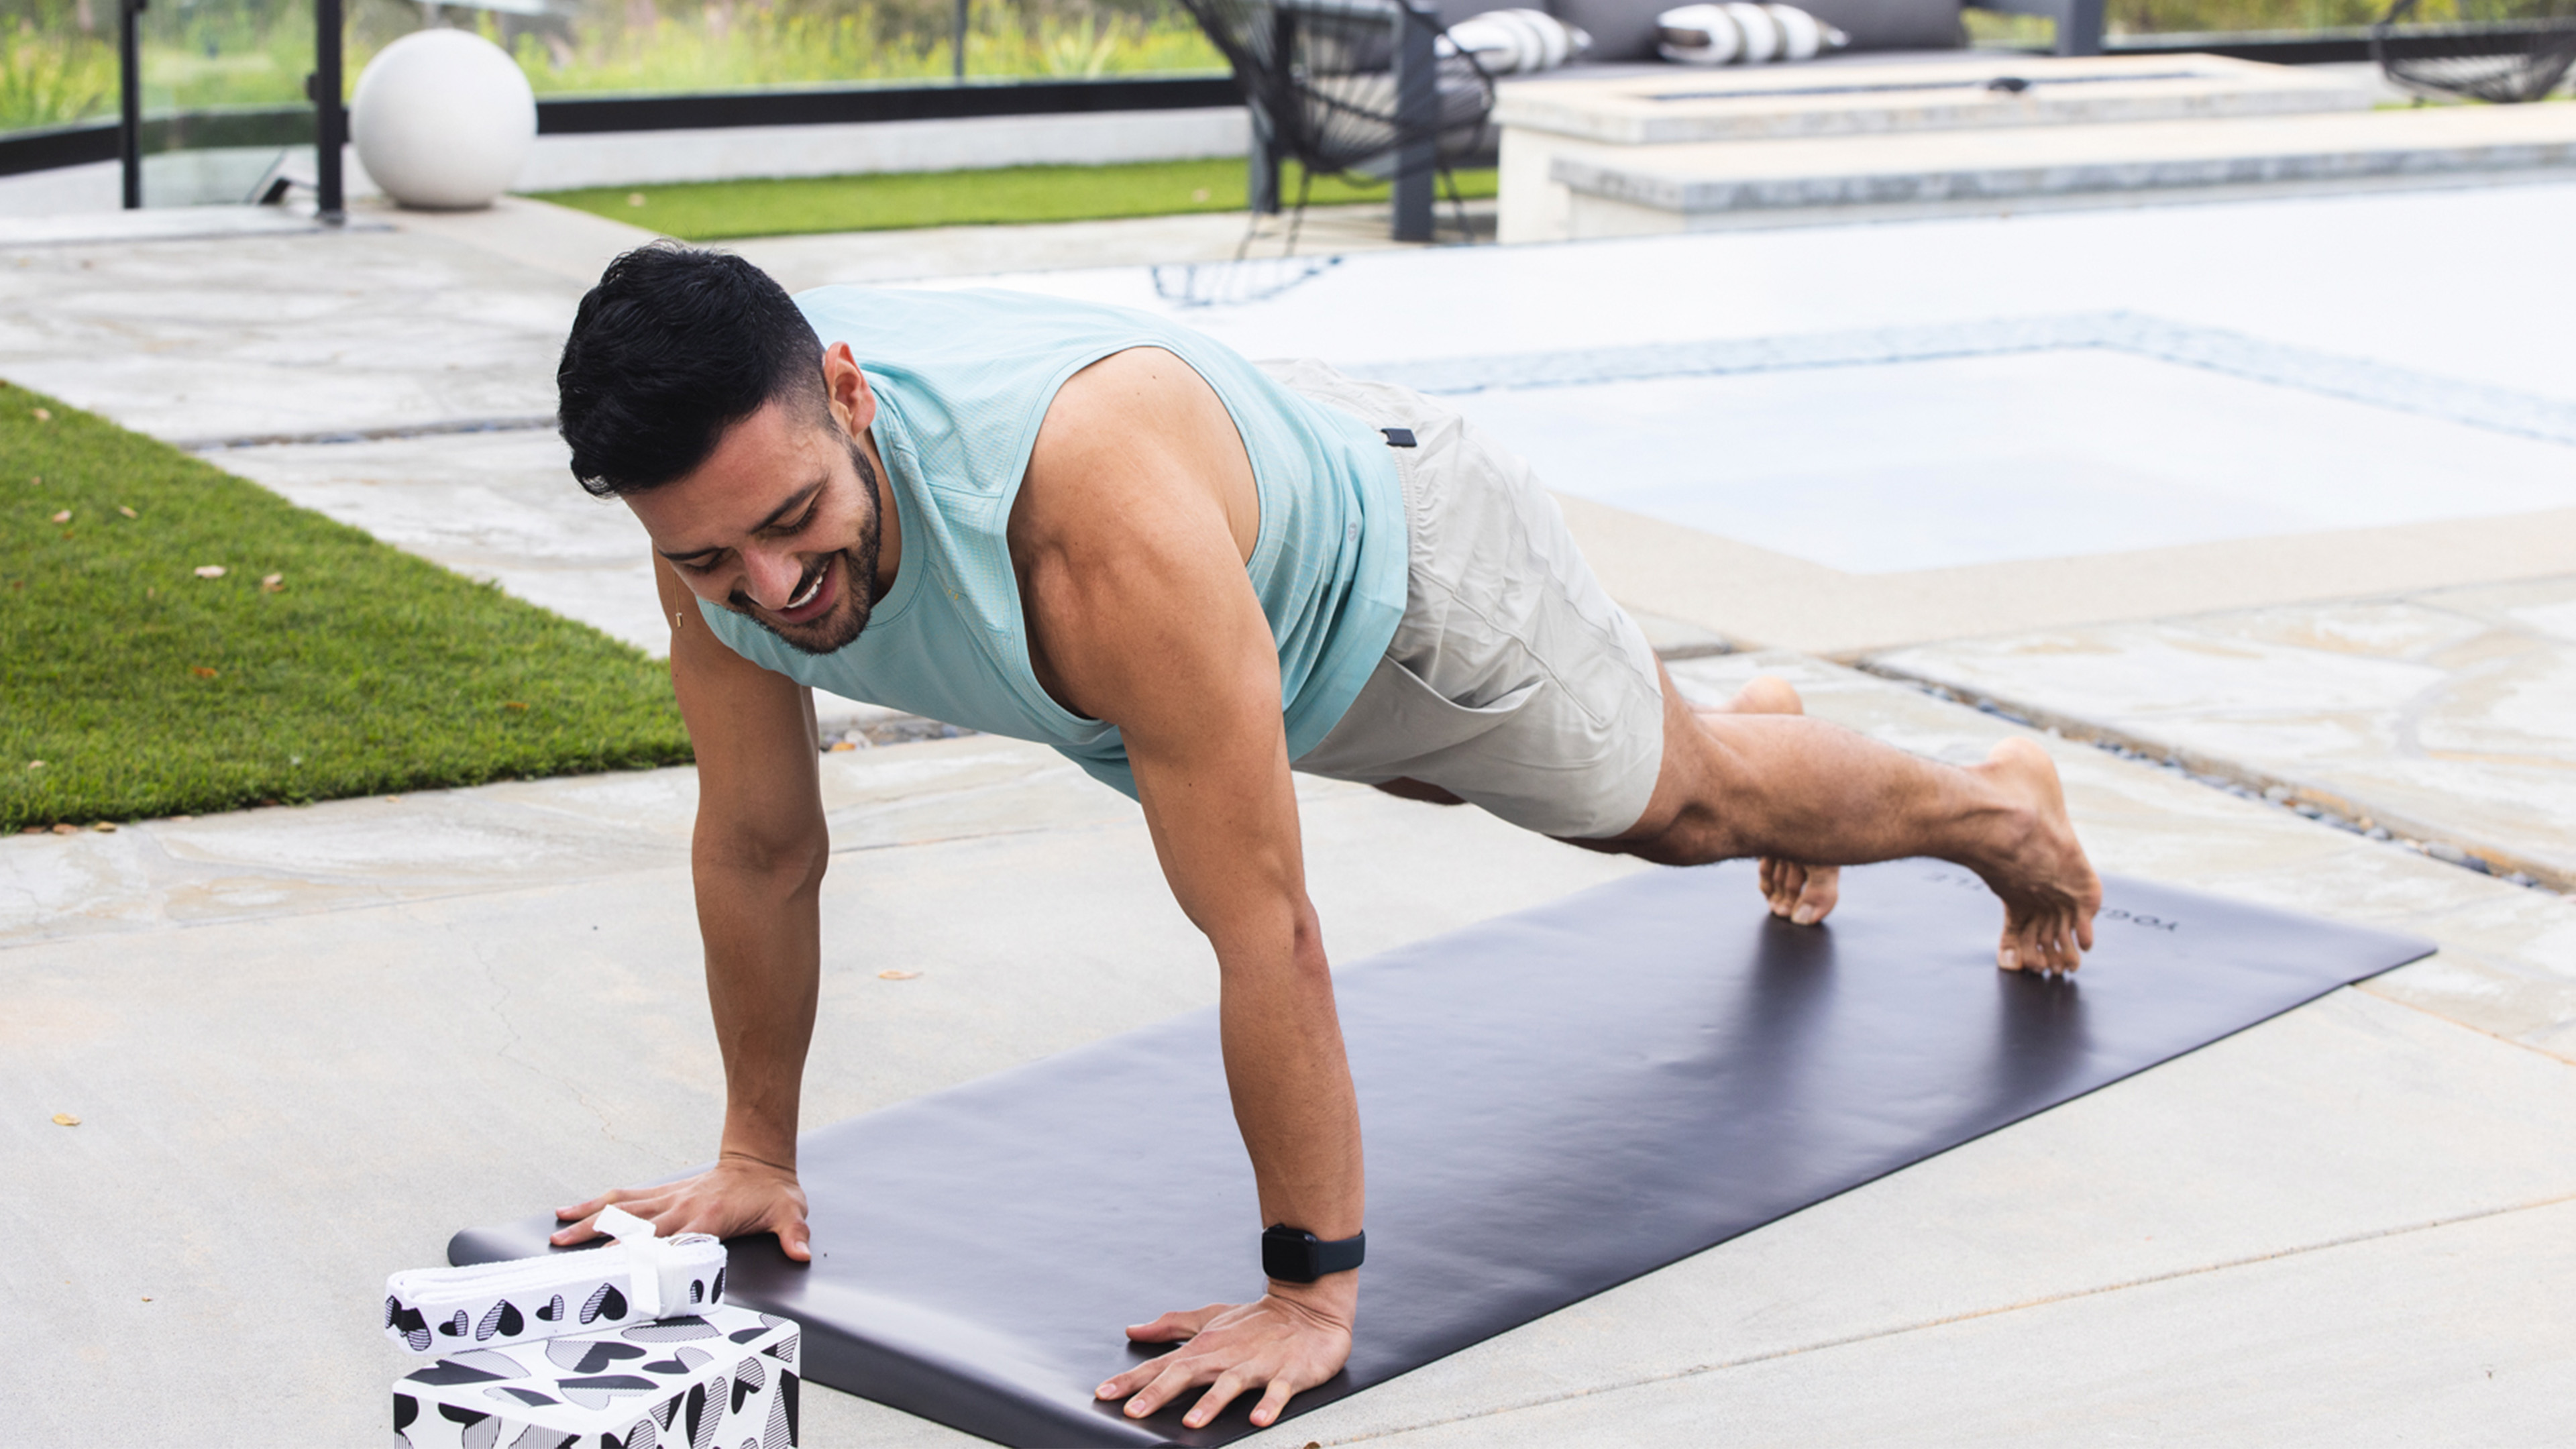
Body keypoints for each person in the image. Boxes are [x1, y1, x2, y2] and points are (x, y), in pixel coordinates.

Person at [545, 244, 2101, 1432]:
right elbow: (760, 849)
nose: (773, 587)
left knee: (1680, 811)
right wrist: (755, 1155)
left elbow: (1261, 921)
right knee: (1625, 767)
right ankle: (1718, 723)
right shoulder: (719, 544)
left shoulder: (1089, 527)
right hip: (1252, 591)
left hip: (1411, 586)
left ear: (850, 394)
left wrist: (1311, 1287)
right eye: (710, 555)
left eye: (796, 519)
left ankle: (1999, 805)